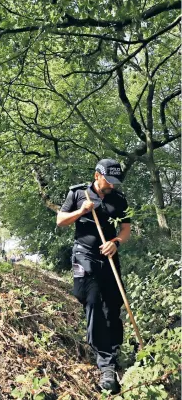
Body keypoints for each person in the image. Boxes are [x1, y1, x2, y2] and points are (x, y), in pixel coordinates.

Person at [56, 159, 131, 394]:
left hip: (109, 255)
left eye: (115, 182)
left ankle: (113, 350)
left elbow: (126, 228)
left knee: (112, 303)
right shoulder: (78, 194)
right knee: (90, 299)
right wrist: (81, 211)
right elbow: (60, 221)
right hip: (83, 255)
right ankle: (105, 364)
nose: (112, 185)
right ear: (97, 175)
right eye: (109, 180)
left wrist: (116, 242)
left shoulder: (119, 200)